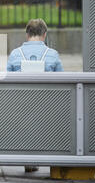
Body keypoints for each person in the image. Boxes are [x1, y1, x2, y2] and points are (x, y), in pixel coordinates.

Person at [7, 18, 64, 172]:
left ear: (27, 35)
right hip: (47, 109)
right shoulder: (52, 54)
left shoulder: (14, 54)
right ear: (44, 35)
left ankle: (29, 157)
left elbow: (6, 83)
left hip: (20, 109)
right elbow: (63, 84)